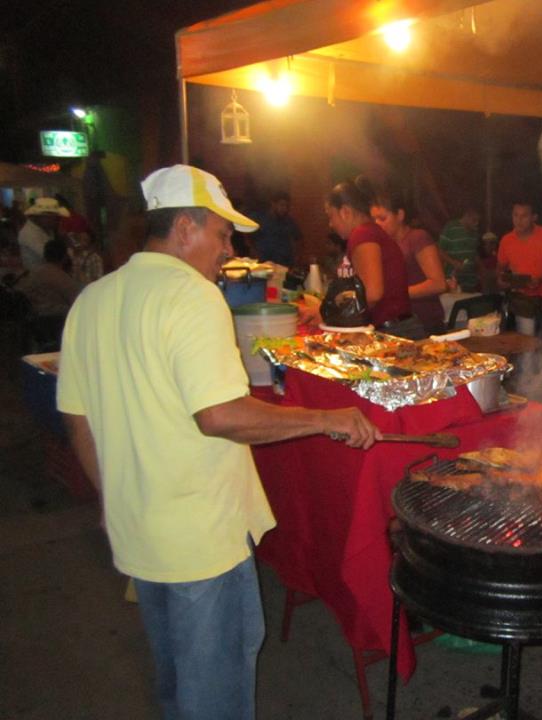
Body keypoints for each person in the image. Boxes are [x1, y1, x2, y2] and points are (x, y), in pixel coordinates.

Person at [56, 164, 380, 720]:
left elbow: (77, 419)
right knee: (215, 694)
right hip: (200, 543)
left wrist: (112, 500)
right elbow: (221, 415)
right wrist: (327, 418)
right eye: (222, 235)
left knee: (178, 682)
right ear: (184, 228)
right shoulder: (194, 297)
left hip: (139, 533)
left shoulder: (93, 299)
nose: (228, 250)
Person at [317, 177, 422, 338]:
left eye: (331, 216)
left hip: (392, 332)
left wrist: (328, 315)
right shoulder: (370, 232)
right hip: (398, 328)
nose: (330, 224)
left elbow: (372, 293)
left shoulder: (363, 234)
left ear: (345, 212)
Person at [371, 191, 447, 335]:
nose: (377, 224)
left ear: (400, 215)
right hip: (397, 324)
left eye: (382, 218)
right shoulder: (383, 245)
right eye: (374, 219)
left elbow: (438, 283)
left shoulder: (417, 237)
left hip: (424, 322)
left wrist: (397, 294)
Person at [497, 200, 542, 356]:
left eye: (524, 216)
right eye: (515, 215)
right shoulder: (507, 240)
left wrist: (540, 279)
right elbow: (500, 271)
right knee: (527, 346)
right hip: (523, 298)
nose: (519, 220)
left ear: (534, 217)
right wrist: (505, 281)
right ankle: (526, 379)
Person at [251, 191, 302, 267]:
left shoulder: (289, 221)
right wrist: (254, 252)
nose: (284, 208)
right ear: (273, 204)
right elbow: (248, 235)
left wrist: (297, 257)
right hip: (264, 264)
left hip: (285, 264)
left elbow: (299, 239)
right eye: (282, 205)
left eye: (287, 206)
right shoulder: (260, 219)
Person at [18, 197, 69, 270]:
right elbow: (54, 257)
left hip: (50, 274)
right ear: (42, 217)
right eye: (55, 219)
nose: (58, 222)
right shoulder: (29, 233)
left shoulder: (46, 229)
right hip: (38, 278)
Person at [438, 207, 480, 291]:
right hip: (453, 280)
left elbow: (474, 254)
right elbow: (440, 251)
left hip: (471, 281)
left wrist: (481, 271)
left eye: (478, 221)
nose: (476, 223)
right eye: (474, 220)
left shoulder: (475, 232)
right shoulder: (451, 227)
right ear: (467, 216)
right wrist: (453, 262)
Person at [62, 213, 105, 286]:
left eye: (77, 235)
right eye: (71, 236)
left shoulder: (94, 258)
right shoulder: (66, 255)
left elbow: (98, 283)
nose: (74, 240)